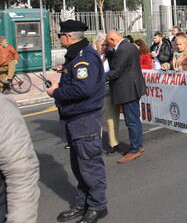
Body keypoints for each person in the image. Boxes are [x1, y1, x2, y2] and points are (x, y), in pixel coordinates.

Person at [46, 20, 108, 223]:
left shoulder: (85, 56)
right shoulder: (76, 54)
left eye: (60, 35)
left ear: (68, 36)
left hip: (85, 119)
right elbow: (76, 81)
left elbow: (84, 89)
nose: (60, 38)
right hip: (75, 118)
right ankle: (83, 204)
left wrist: (56, 92)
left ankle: (98, 206)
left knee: (90, 165)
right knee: (79, 166)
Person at [105, 30, 147, 163]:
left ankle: (135, 149)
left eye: (108, 44)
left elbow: (116, 72)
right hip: (131, 87)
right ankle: (137, 146)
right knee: (133, 118)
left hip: (128, 89)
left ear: (112, 40)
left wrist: (98, 77)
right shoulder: (128, 46)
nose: (108, 46)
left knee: (131, 120)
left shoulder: (123, 49)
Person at [0, 93, 40, 223]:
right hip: (70, 117)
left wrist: (57, 92)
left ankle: (95, 205)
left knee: (87, 168)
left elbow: (21, 171)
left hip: (82, 121)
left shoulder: (3, 107)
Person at [93, 34, 120, 157]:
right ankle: (95, 145)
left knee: (111, 119)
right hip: (95, 91)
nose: (105, 47)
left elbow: (116, 71)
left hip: (108, 88)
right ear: (96, 45)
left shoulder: (111, 55)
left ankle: (113, 144)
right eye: (102, 45)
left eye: (106, 45)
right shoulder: (91, 57)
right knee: (95, 120)